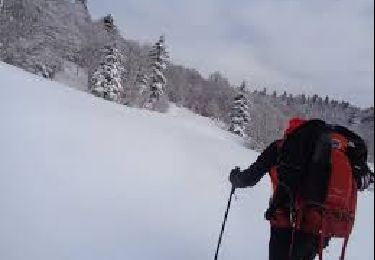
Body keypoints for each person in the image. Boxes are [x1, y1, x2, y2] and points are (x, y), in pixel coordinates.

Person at [229, 117, 373, 260]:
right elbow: (361, 182)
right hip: (320, 225)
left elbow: (249, 178)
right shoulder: (332, 154)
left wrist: (235, 178)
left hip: (285, 222)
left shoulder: (280, 147)